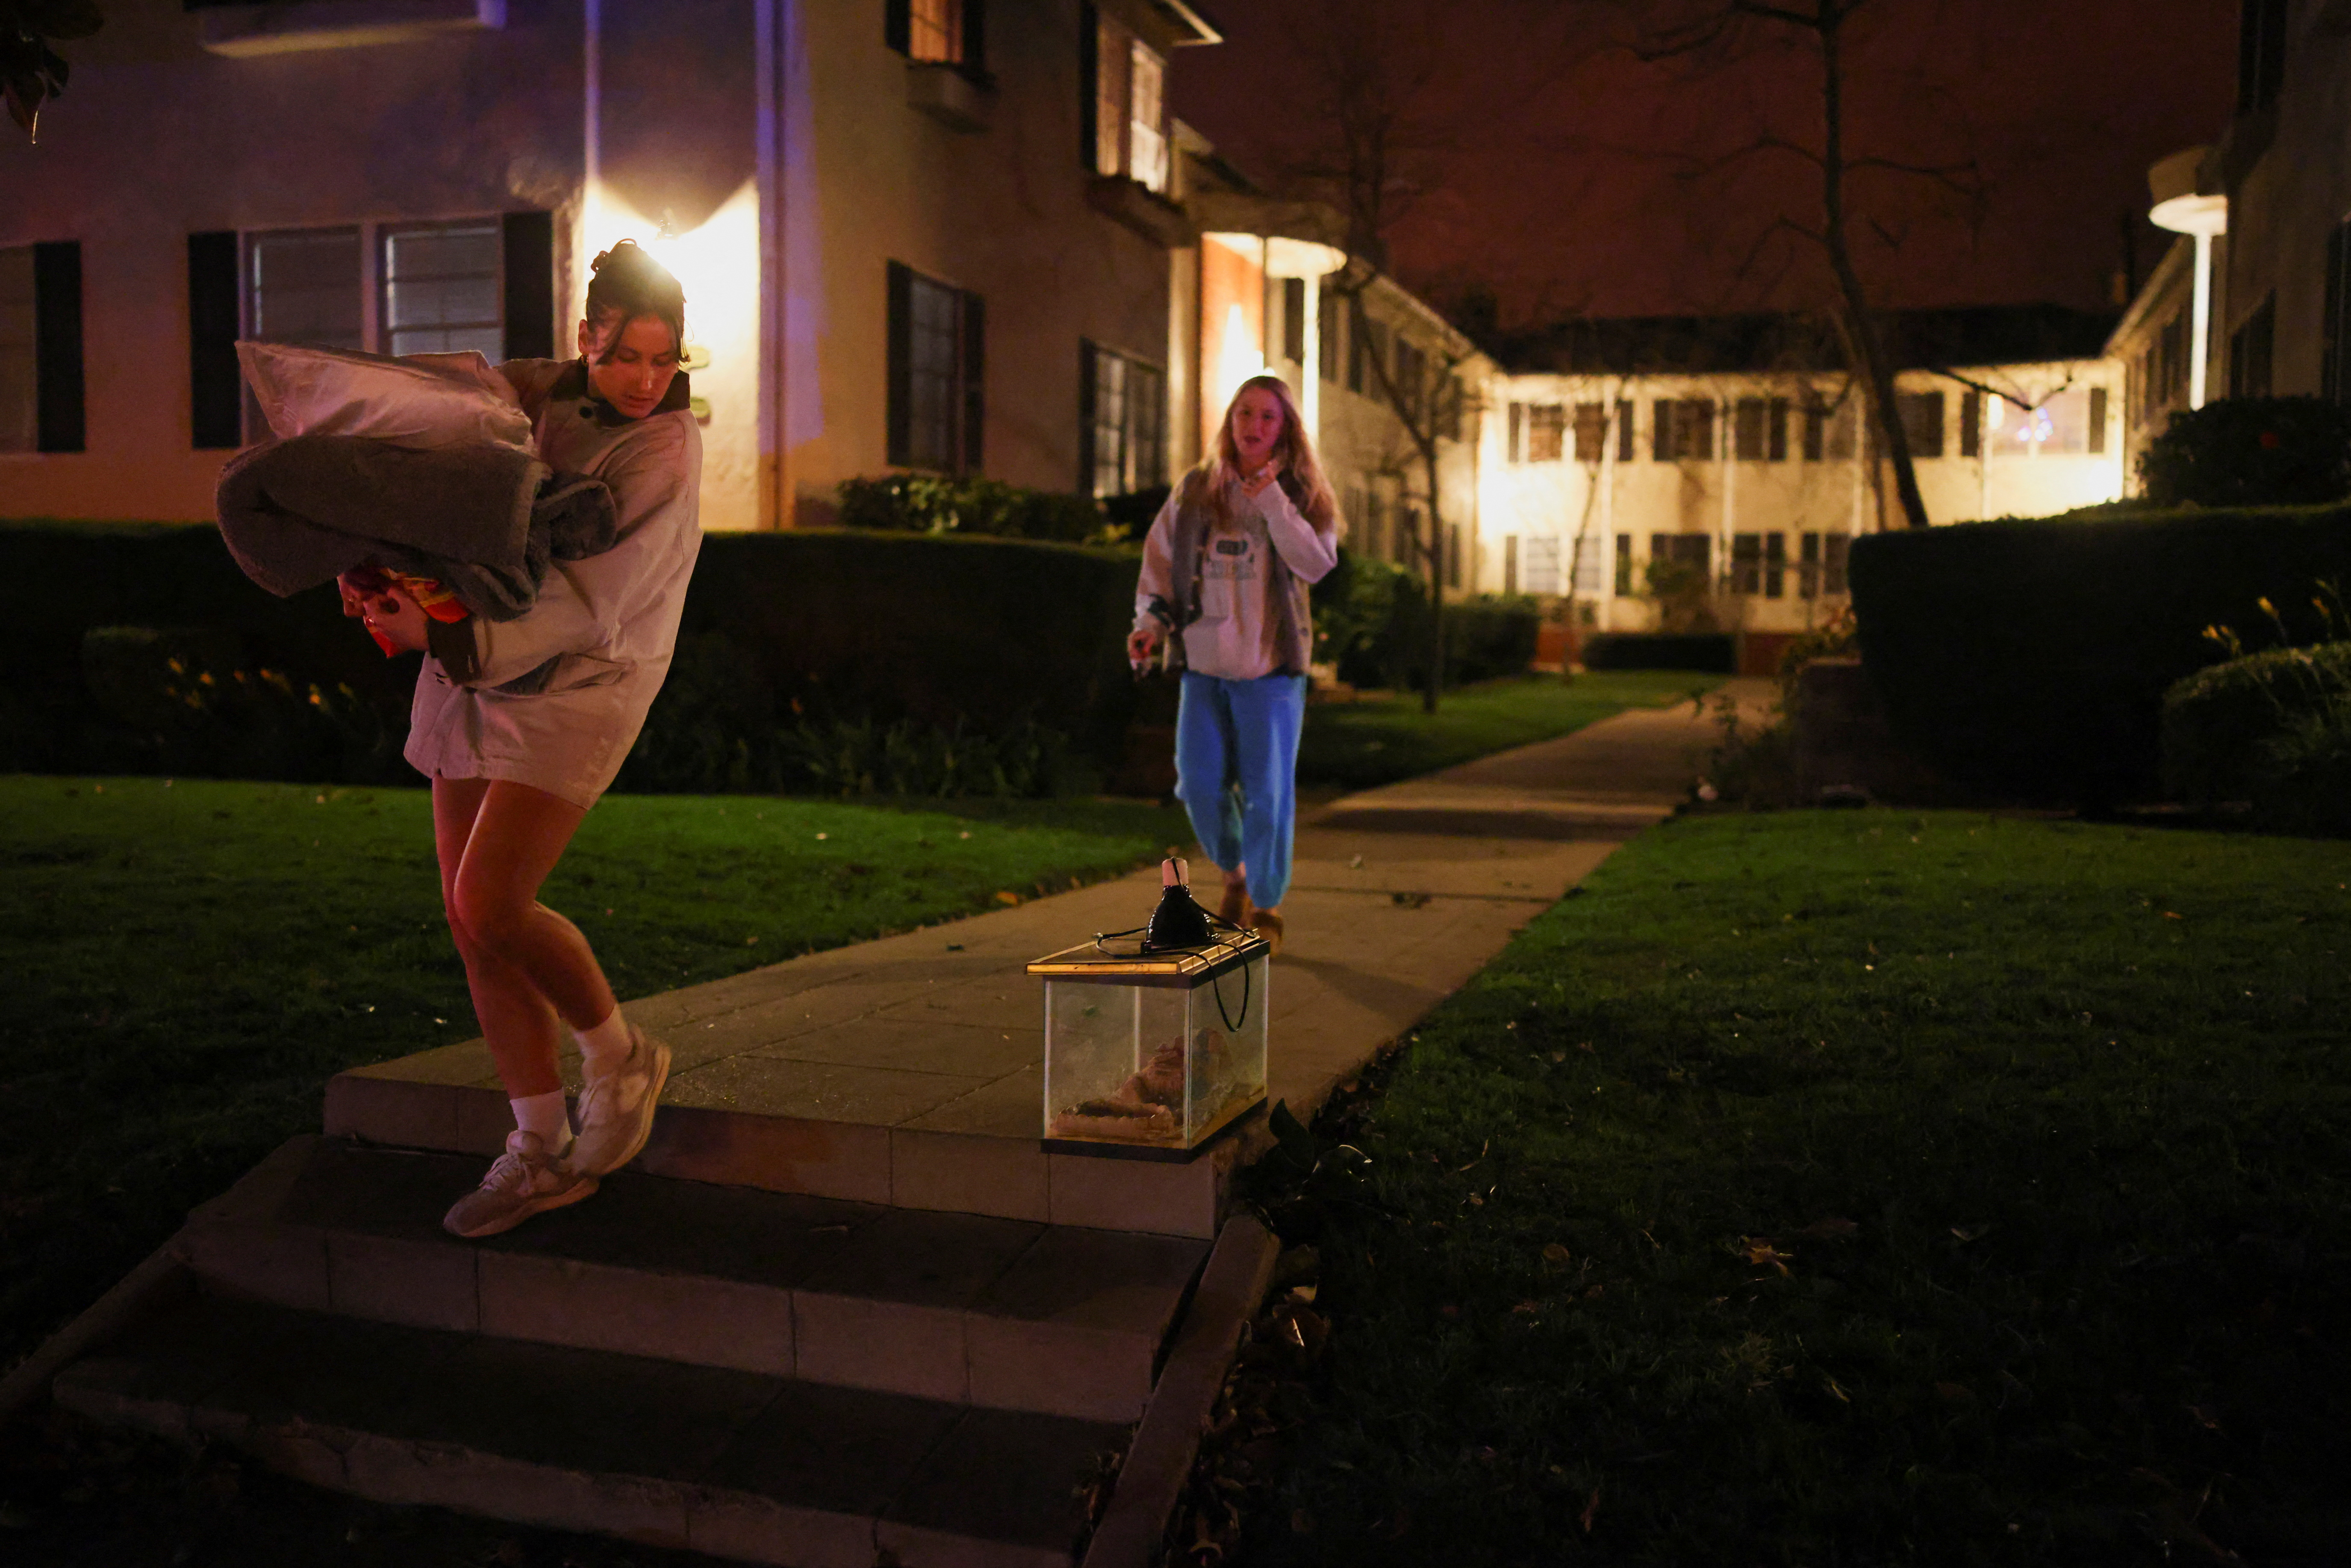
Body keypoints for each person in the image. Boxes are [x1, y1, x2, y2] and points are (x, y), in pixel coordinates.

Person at [346, 240, 701, 1238]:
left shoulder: (665, 450)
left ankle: (618, 1054)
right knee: (471, 923)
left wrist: (449, 625)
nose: (644, 381)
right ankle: (537, 1148)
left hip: (584, 678)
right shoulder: (521, 397)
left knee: (491, 897)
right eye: (626, 356)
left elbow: (598, 597)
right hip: (469, 666)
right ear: (586, 337)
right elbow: (440, 497)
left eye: (664, 361)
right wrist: (381, 573)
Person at [1127, 374, 1342, 954]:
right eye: (1245, 413)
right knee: (1198, 784)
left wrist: (1272, 501)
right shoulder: (1197, 490)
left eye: (1268, 417)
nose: (1254, 426)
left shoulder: (1299, 491)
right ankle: (1235, 876)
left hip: (1271, 676)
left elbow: (1318, 563)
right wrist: (1149, 627)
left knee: (1269, 795)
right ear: (1231, 420)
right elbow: (1159, 568)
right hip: (1204, 671)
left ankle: (1266, 904)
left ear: (1286, 429)